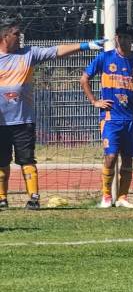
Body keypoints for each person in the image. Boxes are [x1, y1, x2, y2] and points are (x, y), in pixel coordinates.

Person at [0, 15, 104, 210]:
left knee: (27, 160)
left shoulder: (29, 54)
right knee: (1, 162)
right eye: (16, 33)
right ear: (5, 36)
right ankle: (2, 199)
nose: (20, 36)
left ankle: (33, 199)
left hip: (24, 121)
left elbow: (56, 51)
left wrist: (86, 46)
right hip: (1, 122)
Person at [80, 23, 133, 209]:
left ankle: (123, 197)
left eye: (127, 37)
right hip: (110, 118)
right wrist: (95, 101)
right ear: (116, 38)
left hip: (129, 118)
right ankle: (106, 196)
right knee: (110, 156)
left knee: (128, 158)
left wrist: (131, 98)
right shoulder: (105, 57)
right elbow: (84, 79)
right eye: (120, 36)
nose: (122, 40)